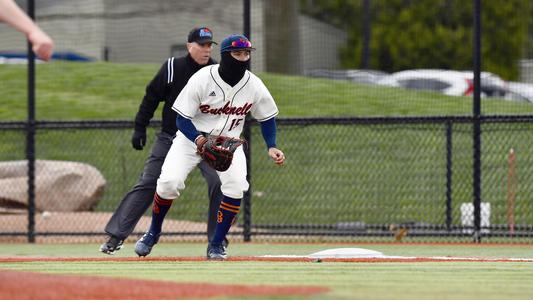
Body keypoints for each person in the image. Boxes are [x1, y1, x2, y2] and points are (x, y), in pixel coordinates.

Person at [134, 34, 285, 260]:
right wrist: (199, 140)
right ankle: (153, 232)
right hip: (191, 139)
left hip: (229, 142)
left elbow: (267, 118)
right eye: (237, 54)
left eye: (246, 54)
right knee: (168, 183)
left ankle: (216, 244)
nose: (243, 58)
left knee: (236, 187)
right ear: (225, 56)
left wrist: (271, 146)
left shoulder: (253, 84)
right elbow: (182, 119)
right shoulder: (202, 78)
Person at [100, 27, 226, 255]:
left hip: (207, 141)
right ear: (189, 46)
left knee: (220, 183)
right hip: (171, 137)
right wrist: (140, 127)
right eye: (202, 45)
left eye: (209, 45)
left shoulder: (216, 72)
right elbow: (151, 96)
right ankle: (115, 236)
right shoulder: (173, 68)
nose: (206, 49)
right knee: (149, 182)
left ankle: (217, 242)